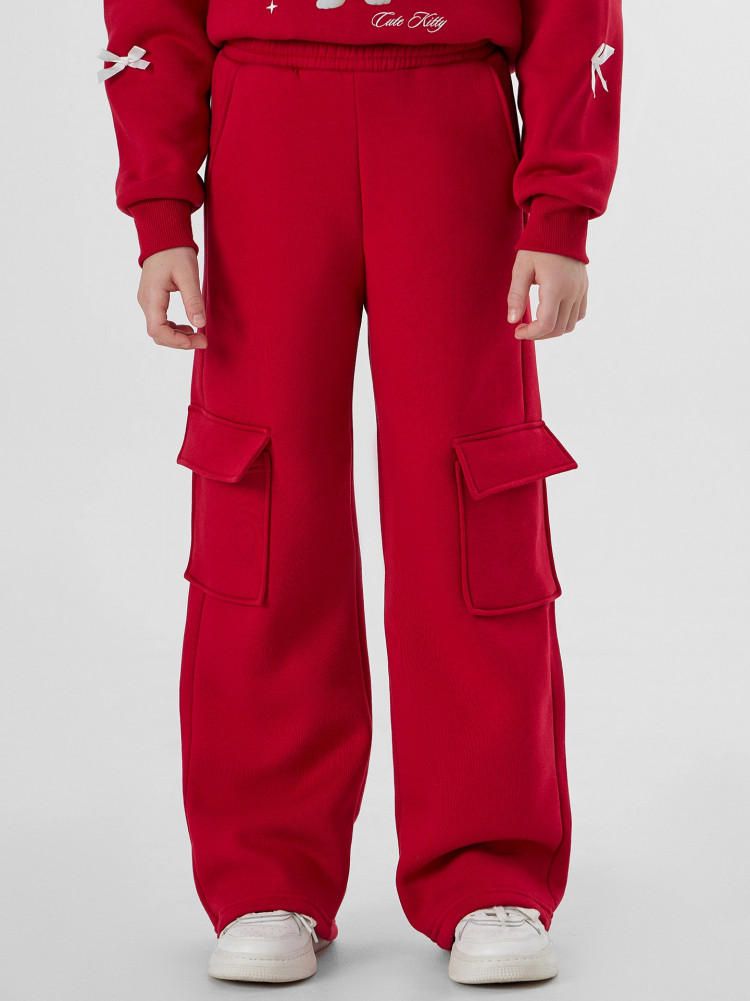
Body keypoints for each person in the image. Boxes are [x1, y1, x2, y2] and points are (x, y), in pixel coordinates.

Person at [97, 0, 621, 986]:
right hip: (263, 117)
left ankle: (487, 867)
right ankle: (265, 873)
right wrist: (160, 209)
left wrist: (562, 205)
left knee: (472, 499)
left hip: (453, 113)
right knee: (261, 501)